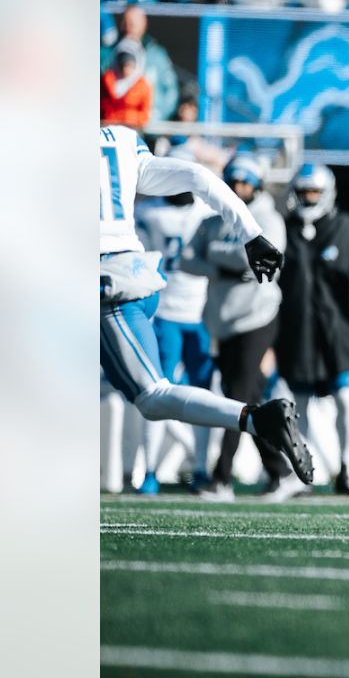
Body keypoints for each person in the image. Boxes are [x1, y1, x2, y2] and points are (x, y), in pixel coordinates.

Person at [98, 126, 311, 499]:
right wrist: (251, 234)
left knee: (152, 396)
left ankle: (252, 425)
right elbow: (198, 176)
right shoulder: (122, 140)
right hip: (136, 275)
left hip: (108, 280)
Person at [185, 154, 302, 502]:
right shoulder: (213, 218)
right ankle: (281, 471)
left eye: (245, 182)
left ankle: (222, 478)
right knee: (248, 400)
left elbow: (262, 258)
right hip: (223, 321)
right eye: (233, 182)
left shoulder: (267, 217)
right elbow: (187, 259)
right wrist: (229, 261)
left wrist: (220, 257)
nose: (238, 188)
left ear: (258, 184)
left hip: (257, 317)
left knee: (235, 398)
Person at [275, 163, 349, 494]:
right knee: (299, 405)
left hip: (338, 331)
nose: (309, 199)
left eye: (315, 192)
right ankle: (306, 473)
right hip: (298, 330)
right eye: (304, 192)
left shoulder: (346, 228)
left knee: (346, 399)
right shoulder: (284, 230)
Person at [133, 148, 216, 494]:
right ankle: (150, 469)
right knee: (157, 393)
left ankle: (200, 467)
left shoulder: (208, 212)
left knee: (204, 393)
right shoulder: (148, 212)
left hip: (202, 313)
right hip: (165, 313)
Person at [100, 39, 151, 129]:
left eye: (129, 64)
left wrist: (126, 118)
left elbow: (145, 115)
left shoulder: (143, 85)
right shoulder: (106, 80)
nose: (125, 68)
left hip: (132, 130)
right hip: (107, 129)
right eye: (123, 64)